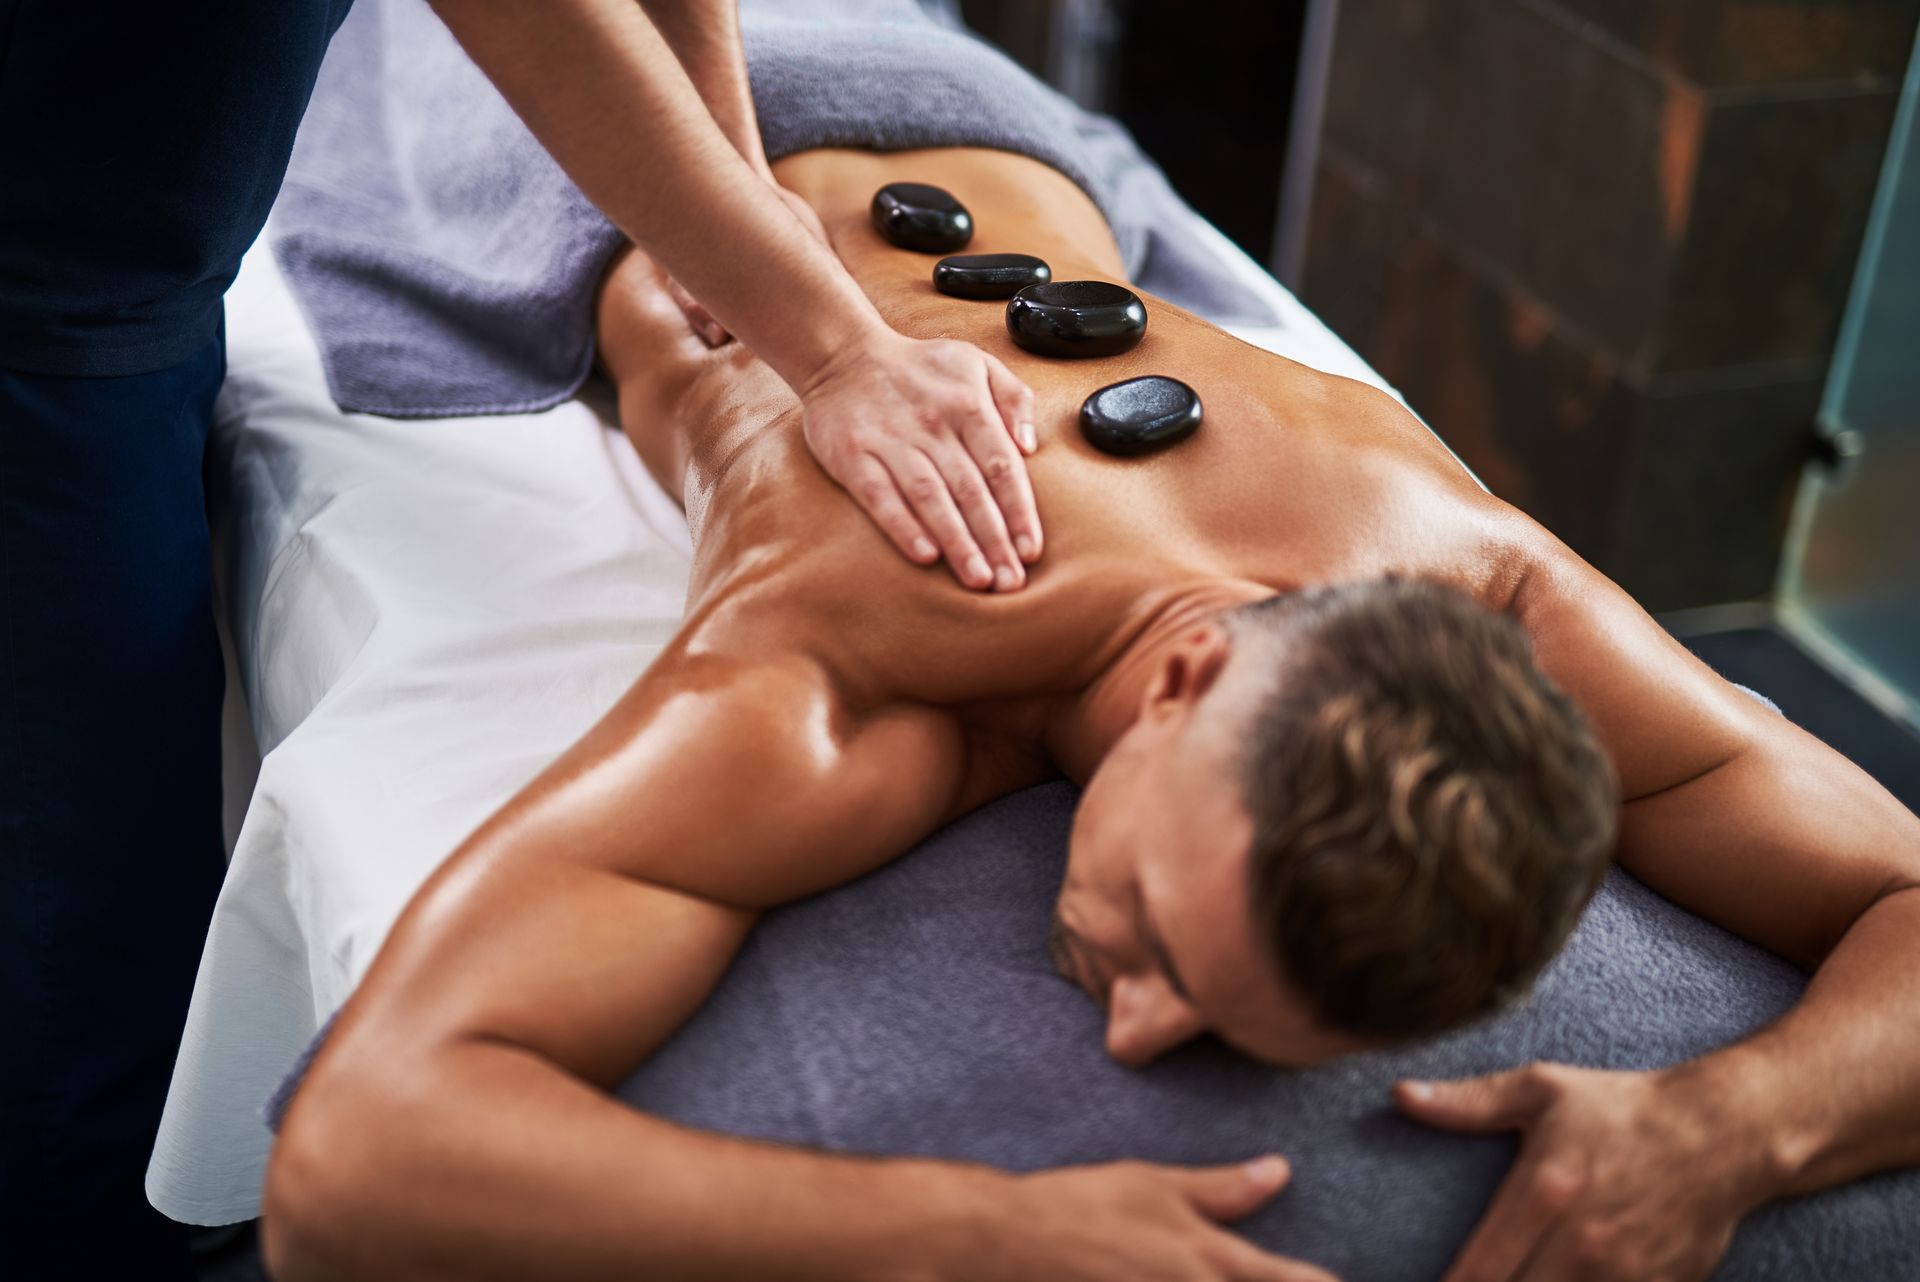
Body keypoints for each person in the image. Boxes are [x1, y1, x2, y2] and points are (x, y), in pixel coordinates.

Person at [262, 143, 1920, 1282]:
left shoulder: (1488, 588)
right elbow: (352, 1165)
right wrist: (959, 1231)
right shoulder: (836, 679)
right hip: (656, 135)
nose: (1129, 1034)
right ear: (1194, 676)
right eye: (1154, 941)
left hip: (1031, 159)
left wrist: (1735, 1125)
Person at [0, 1, 1037, 1273]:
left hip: (130, 246)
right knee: (85, 922)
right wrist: (826, 343)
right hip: (63, 284)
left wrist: (738, 197)